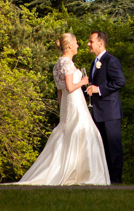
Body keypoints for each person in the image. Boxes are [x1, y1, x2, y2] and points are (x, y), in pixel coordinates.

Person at [17, 33, 109, 185]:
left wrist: (63, 110)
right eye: (76, 43)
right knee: (85, 132)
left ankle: (74, 171)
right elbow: (69, 87)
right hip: (75, 102)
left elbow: (60, 91)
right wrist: (83, 81)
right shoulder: (67, 63)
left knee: (73, 132)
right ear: (70, 46)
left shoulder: (58, 64)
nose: (79, 45)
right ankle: (85, 175)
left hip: (68, 103)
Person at [85, 30, 126, 183]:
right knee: (102, 149)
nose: (88, 44)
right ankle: (105, 180)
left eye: (91, 41)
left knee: (113, 149)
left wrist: (99, 89)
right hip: (98, 112)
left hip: (110, 112)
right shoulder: (94, 63)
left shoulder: (111, 60)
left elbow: (120, 82)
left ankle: (116, 182)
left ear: (100, 43)